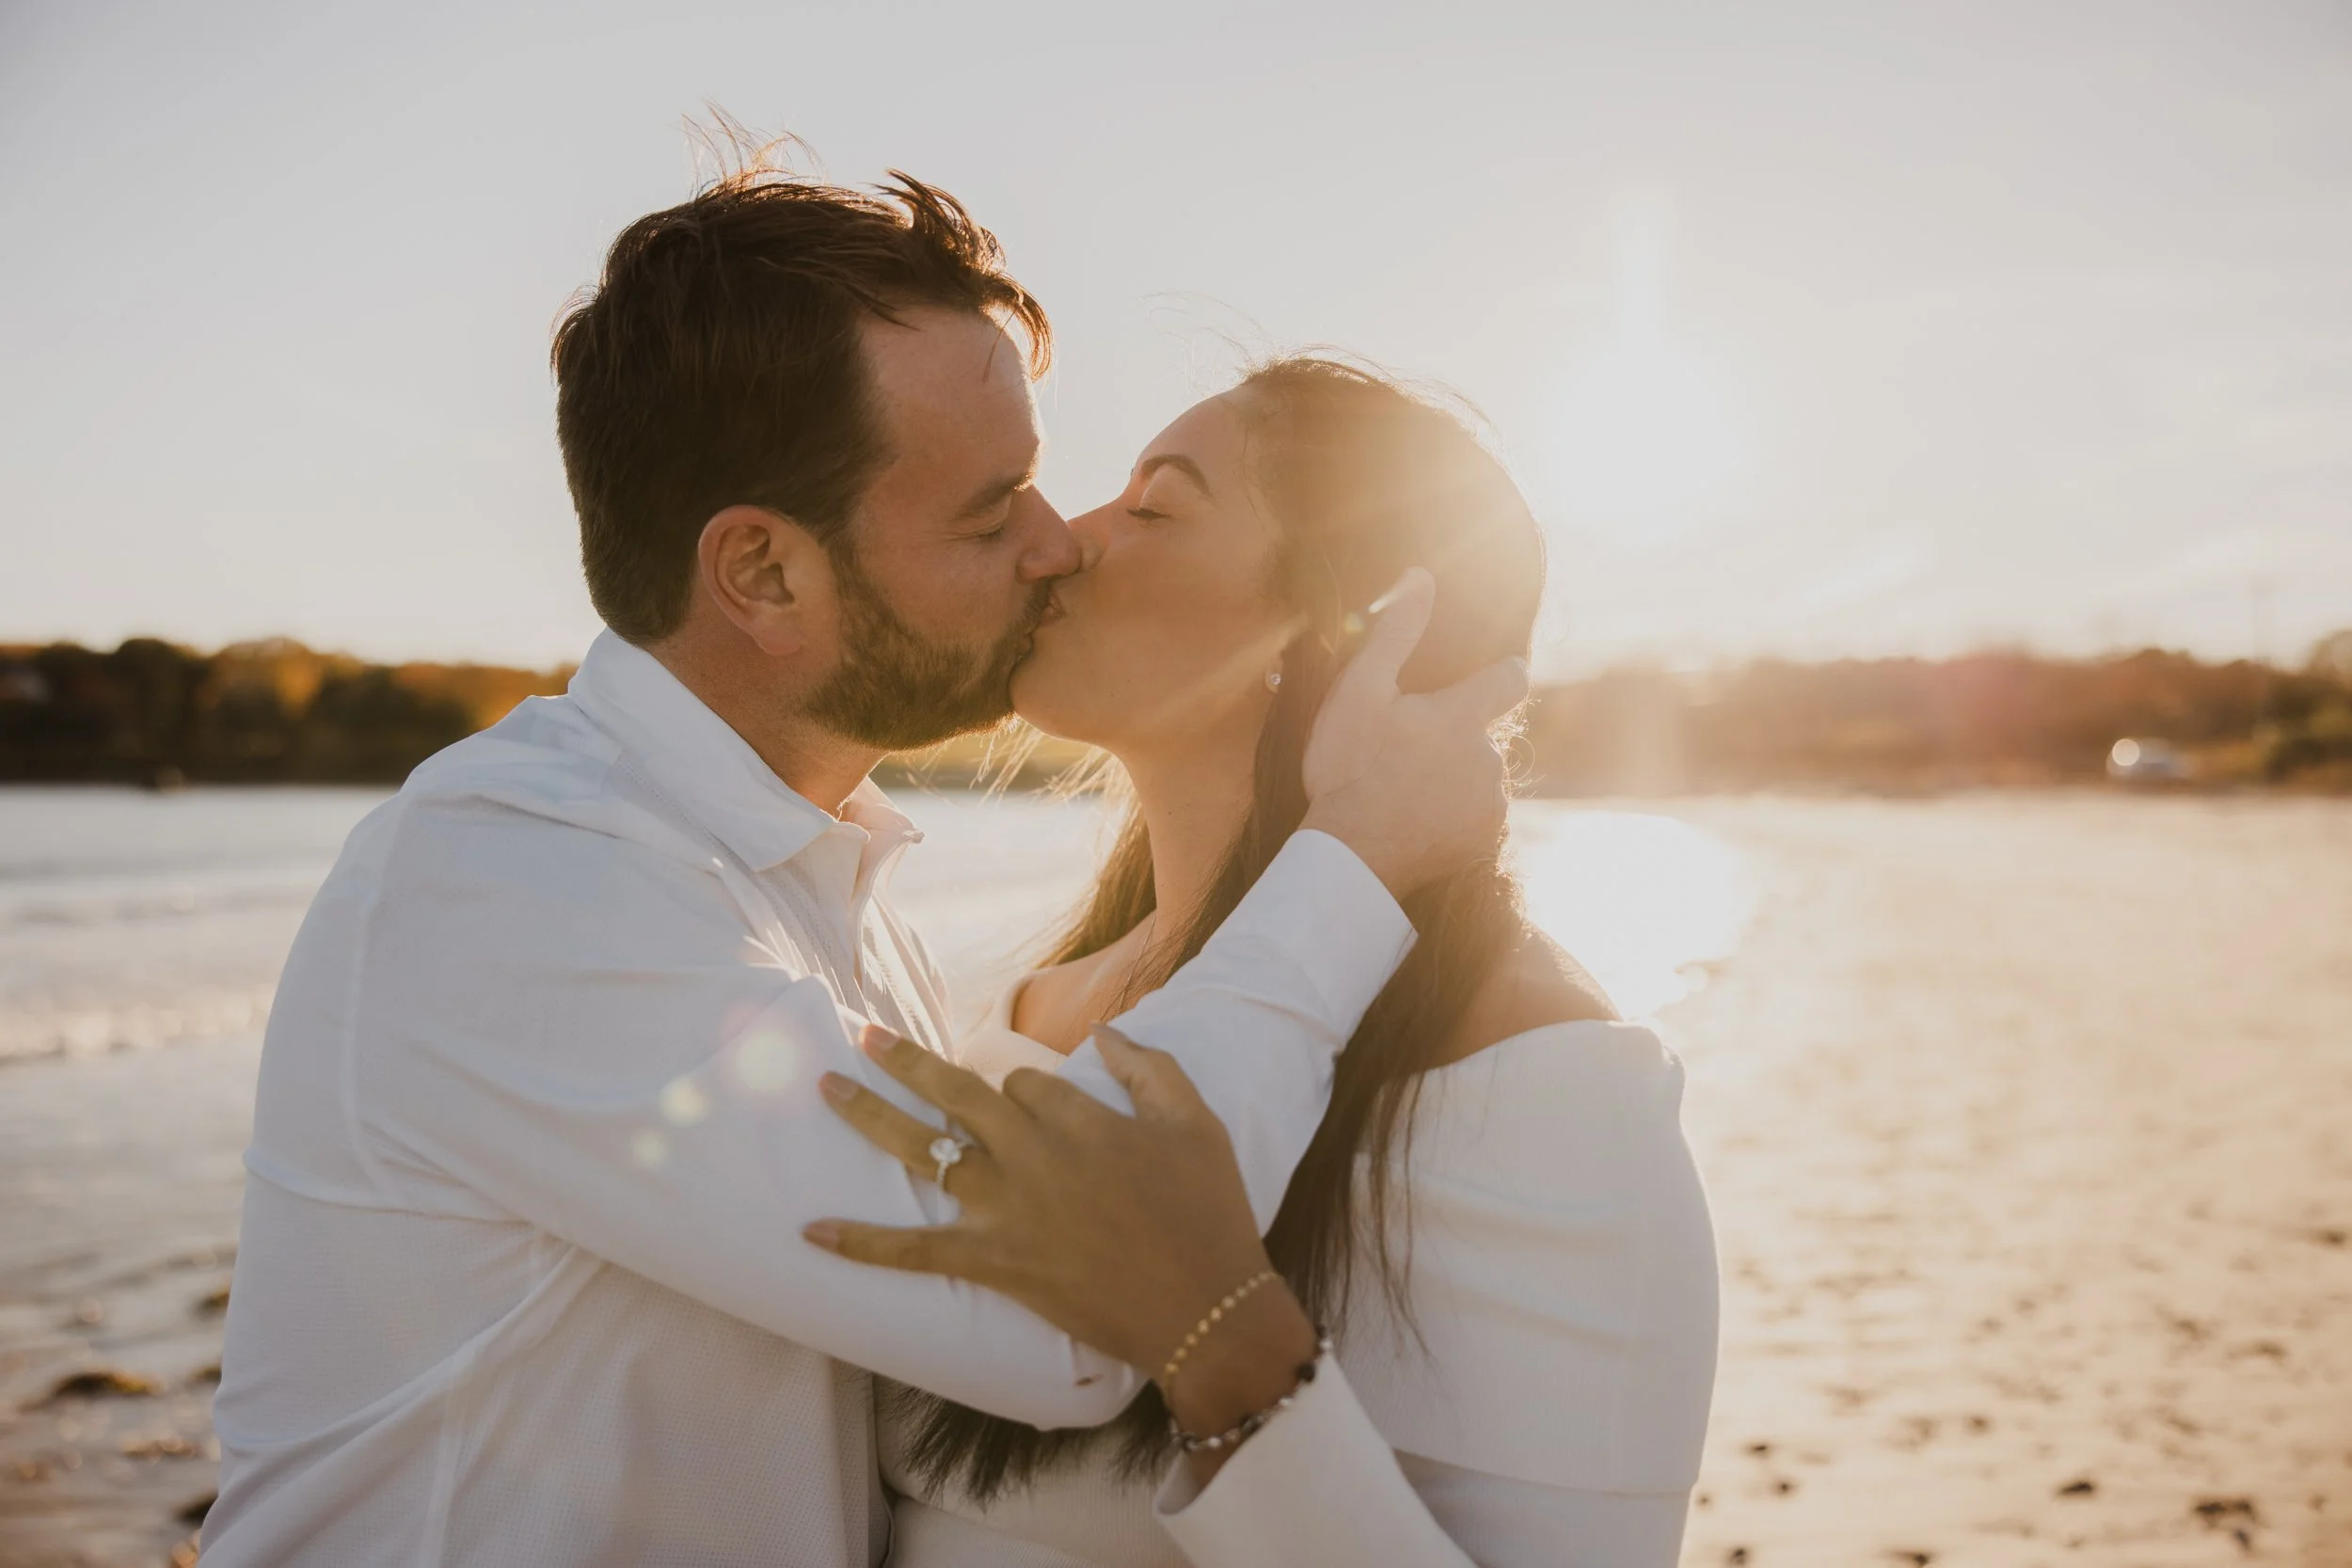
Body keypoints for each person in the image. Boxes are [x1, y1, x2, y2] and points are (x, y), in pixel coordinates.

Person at [199, 162, 1525, 1566]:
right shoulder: (505, 880)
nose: (1053, 540)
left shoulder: (817, 894)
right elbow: (1063, 1309)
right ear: (763, 575)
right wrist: (1357, 858)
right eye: (987, 507)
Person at [809, 359, 1721, 1565]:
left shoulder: (1540, 1084)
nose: (1059, 542)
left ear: (1343, 630)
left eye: (1153, 507)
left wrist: (1220, 1339)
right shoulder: (1028, 1008)